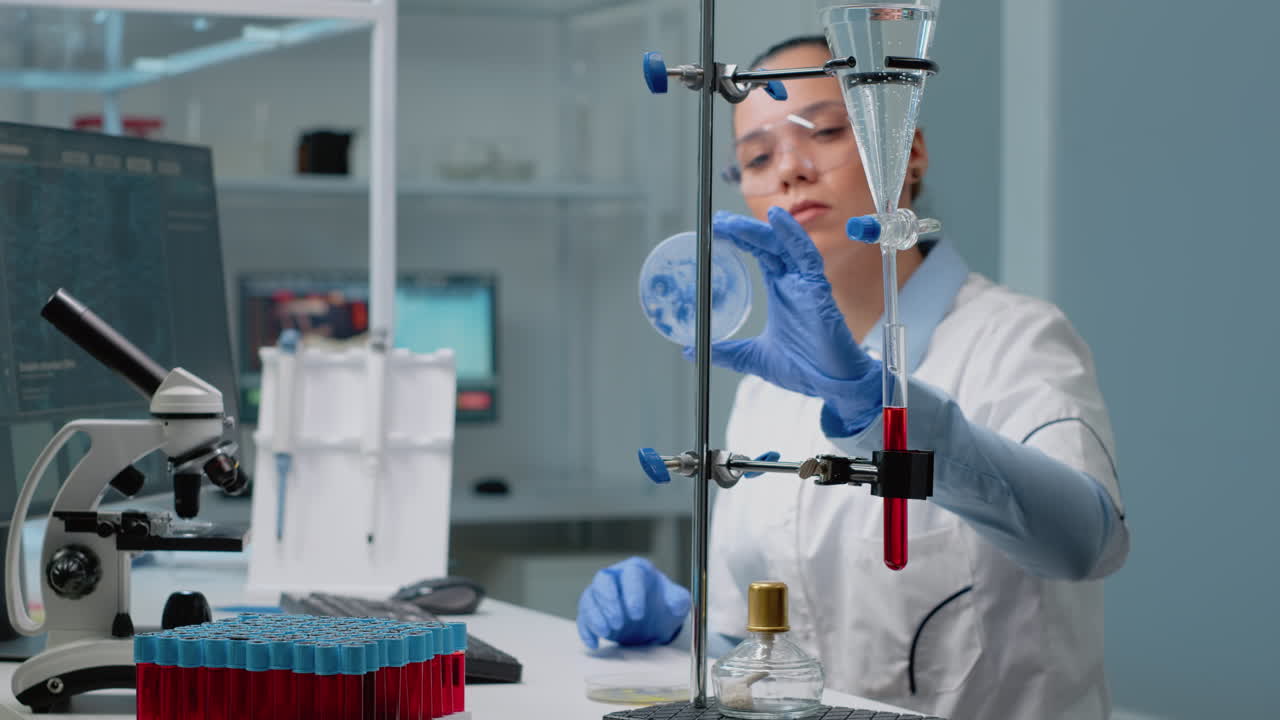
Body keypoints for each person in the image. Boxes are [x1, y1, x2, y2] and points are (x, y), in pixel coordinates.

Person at [575, 36, 1129, 720]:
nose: (790, 171)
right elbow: (755, 642)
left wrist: (875, 405)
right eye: (757, 156)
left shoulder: (1016, 338)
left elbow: (1087, 542)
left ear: (910, 153)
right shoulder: (765, 388)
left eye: (827, 131)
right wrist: (674, 627)